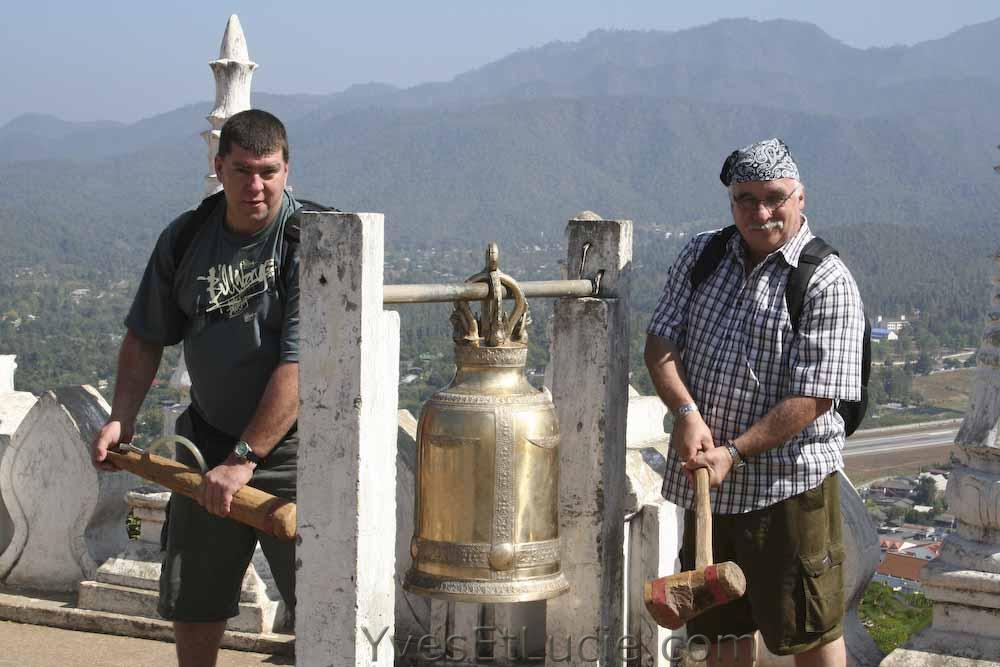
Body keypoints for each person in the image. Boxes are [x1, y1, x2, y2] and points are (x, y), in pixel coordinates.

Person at [92, 109, 302, 666]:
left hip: (299, 455)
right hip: (207, 443)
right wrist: (121, 417)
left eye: (268, 170)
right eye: (241, 170)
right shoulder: (186, 238)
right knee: (195, 599)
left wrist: (245, 458)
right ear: (218, 168)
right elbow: (145, 336)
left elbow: (298, 366)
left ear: (288, 168)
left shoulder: (311, 242)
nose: (255, 185)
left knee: (324, 595)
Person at [644, 138, 864, 667]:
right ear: (731, 203)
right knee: (721, 633)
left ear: (800, 198)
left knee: (808, 628)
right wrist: (686, 413)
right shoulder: (704, 254)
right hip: (711, 488)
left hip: (788, 483)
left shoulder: (825, 280)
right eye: (745, 199)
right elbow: (660, 342)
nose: (760, 212)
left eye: (774, 198)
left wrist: (735, 452)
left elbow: (815, 396)